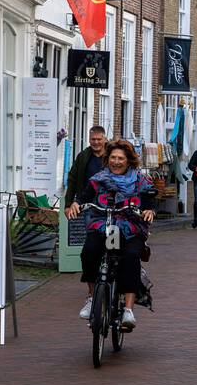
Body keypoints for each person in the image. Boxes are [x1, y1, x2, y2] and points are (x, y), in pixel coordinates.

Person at [66, 140, 156, 331]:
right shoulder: (98, 179)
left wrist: (149, 211)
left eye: (120, 158)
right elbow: (84, 196)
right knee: (89, 251)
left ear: (129, 161)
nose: (116, 162)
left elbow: (149, 201)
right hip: (103, 224)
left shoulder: (140, 180)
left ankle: (128, 311)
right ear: (108, 159)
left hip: (130, 227)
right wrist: (75, 204)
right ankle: (92, 298)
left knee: (131, 257)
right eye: (113, 158)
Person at [64, 125, 109, 209]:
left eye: (99, 139)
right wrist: (68, 205)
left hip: (108, 203)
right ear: (89, 139)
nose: (96, 142)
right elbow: (72, 180)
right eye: (93, 139)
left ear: (105, 140)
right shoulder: (83, 157)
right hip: (85, 203)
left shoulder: (112, 156)